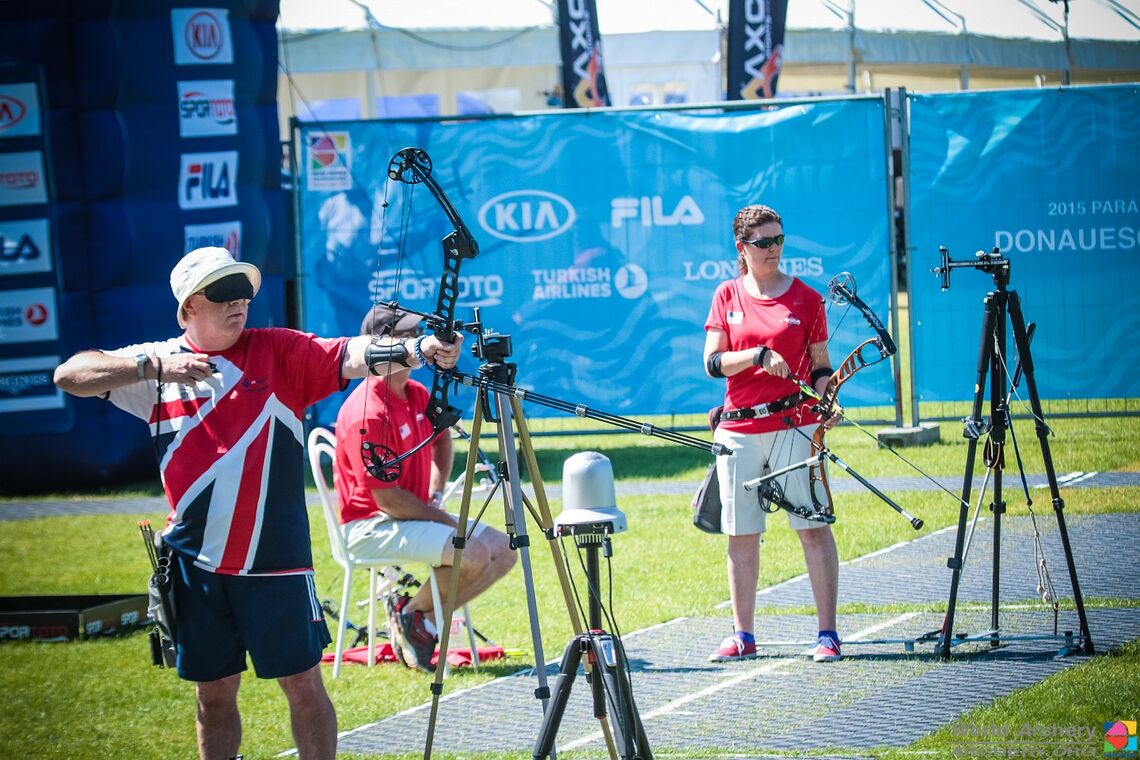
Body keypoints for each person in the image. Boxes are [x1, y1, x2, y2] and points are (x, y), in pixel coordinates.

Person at [52, 247, 462, 760]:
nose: (238, 303)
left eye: (243, 292)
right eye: (221, 293)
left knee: (304, 685)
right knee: (213, 693)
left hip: (276, 561)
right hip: (194, 562)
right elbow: (70, 374)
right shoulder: (158, 365)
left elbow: (353, 354)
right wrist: (153, 365)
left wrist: (423, 348)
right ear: (187, 310)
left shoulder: (278, 351)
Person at [333, 305, 516, 673]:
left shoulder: (414, 392)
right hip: (371, 526)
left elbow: (441, 439)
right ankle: (415, 620)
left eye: (417, 335)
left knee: (508, 550)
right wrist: (442, 517)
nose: (419, 342)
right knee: (476, 553)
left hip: (409, 516)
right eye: (406, 337)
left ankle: (418, 622)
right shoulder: (368, 411)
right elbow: (386, 499)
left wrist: (436, 490)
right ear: (379, 346)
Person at [702, 204, 843, 664]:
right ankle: (743, 634)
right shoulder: (726, 295)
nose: (774, 249)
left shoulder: (806, 298)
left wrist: (828, 397)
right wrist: (757, 355)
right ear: (742, 248)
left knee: (812, 528)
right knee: (741, 534)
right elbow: (712, 362)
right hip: (738, 428)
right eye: (763, 243)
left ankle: (827, 634)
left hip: (795, 424)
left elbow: (821, 366)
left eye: (779, 239)